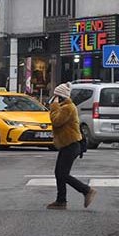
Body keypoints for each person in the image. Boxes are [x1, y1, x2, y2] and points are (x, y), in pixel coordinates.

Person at [46, 82, 97, 210]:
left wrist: (54, 106)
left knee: (63, 174)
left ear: (61, 97)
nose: (54, 98)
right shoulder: (64, 107)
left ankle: (87, 190)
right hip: (66, 145)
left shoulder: (67, 107)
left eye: (56, 96)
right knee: (59, 172)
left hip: (72, 145)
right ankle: (61, 201)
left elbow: (56, 121)